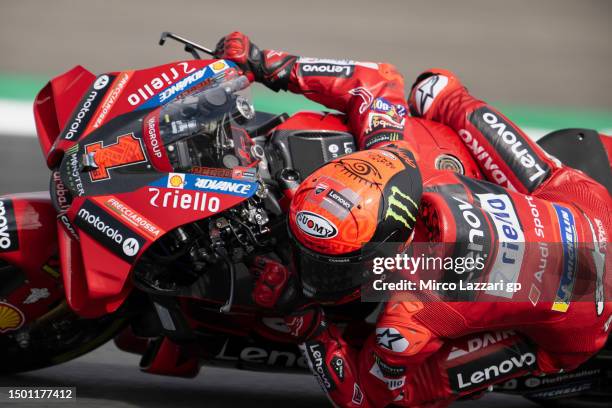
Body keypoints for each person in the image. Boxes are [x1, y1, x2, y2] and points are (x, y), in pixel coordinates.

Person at [215, 32, 611, 407]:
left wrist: (302, 319)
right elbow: (375, 79)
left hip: (583, 319)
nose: (312, 272)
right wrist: (267, 63)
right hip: (590, 212)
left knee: (413, 392)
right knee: (436, 92)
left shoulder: (407, 318)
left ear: (378, 255)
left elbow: (363, 398)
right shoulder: (394, 156)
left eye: (326, 265)